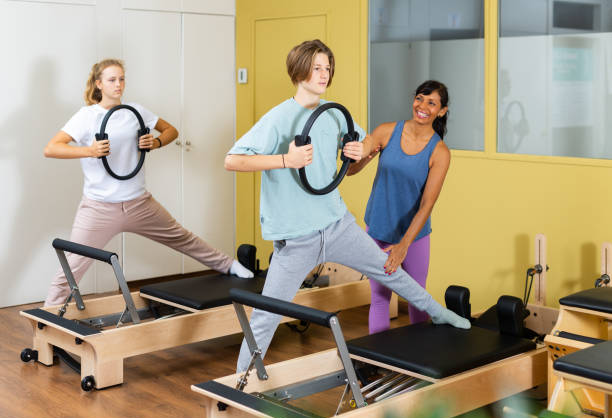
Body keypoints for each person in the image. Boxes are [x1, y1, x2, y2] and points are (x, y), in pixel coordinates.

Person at [224, 40, 470, 373]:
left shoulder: (335, 113)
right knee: (267, 314)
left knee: (393, 273)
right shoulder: (278, 118)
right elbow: (232, 160)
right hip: (297, 237)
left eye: (327, 68)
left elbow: (357, 157)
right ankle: (240, 381)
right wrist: (287, 159)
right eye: (317, 67)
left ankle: (441, 313)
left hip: (337, 224)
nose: (323, 74)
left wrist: (359, 155)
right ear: (299, 70)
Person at [43, 58, 252, 307]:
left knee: (181, 237)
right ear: (99, 84)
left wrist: (156, 142)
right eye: (112, 80)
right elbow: (52, 148)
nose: (118, 84)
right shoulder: (87, 116)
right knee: (73, 263)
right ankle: (48, 319)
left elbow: (171, 131)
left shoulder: (135, 111)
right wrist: (89, 150)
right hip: (99, 207)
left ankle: (229, 265)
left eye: (122, 79)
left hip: (138, 202)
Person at [347, 80, 451, 334]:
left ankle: (419, 362)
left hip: (413, 236)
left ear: (442, 111)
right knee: (380, 297)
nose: (422, 106)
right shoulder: (386, 131)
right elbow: (353, 169)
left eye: (431, 102)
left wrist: (403, 245)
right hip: (378, 228)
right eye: (419, 98)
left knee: (416, 299)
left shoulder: (440, 152)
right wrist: (362, 153)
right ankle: (377, 366)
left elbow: (427, 204)